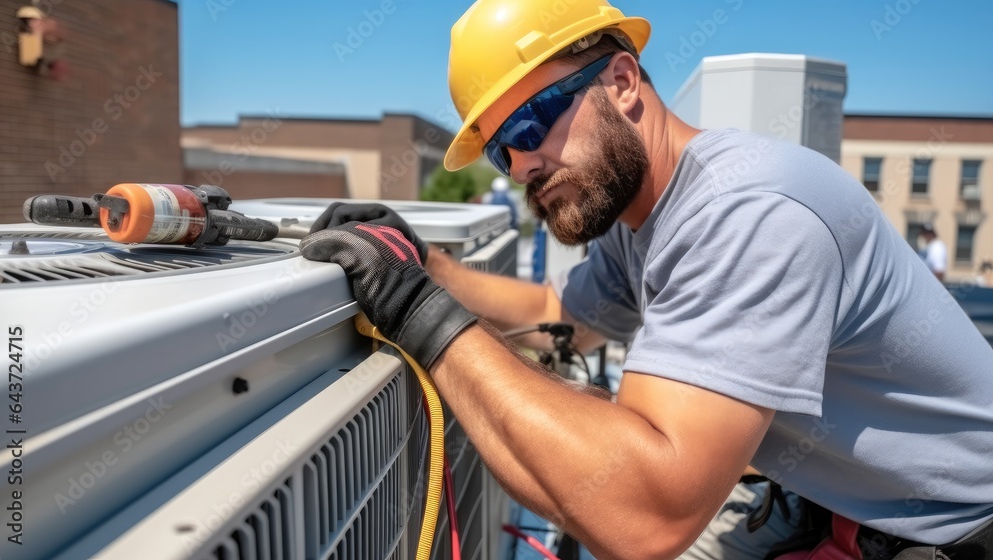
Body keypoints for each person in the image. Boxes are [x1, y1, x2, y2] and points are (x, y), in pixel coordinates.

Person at [299, 1, 993, 558]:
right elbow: (558, 312)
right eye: (502, 151)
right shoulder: (648, 214)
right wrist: (425, 265)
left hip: (947, 534)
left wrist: (423, 318)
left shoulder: (747, 214)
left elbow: (644, 520)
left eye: (532, 122)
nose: (521, 166)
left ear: (624, 84)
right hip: (838, 510)